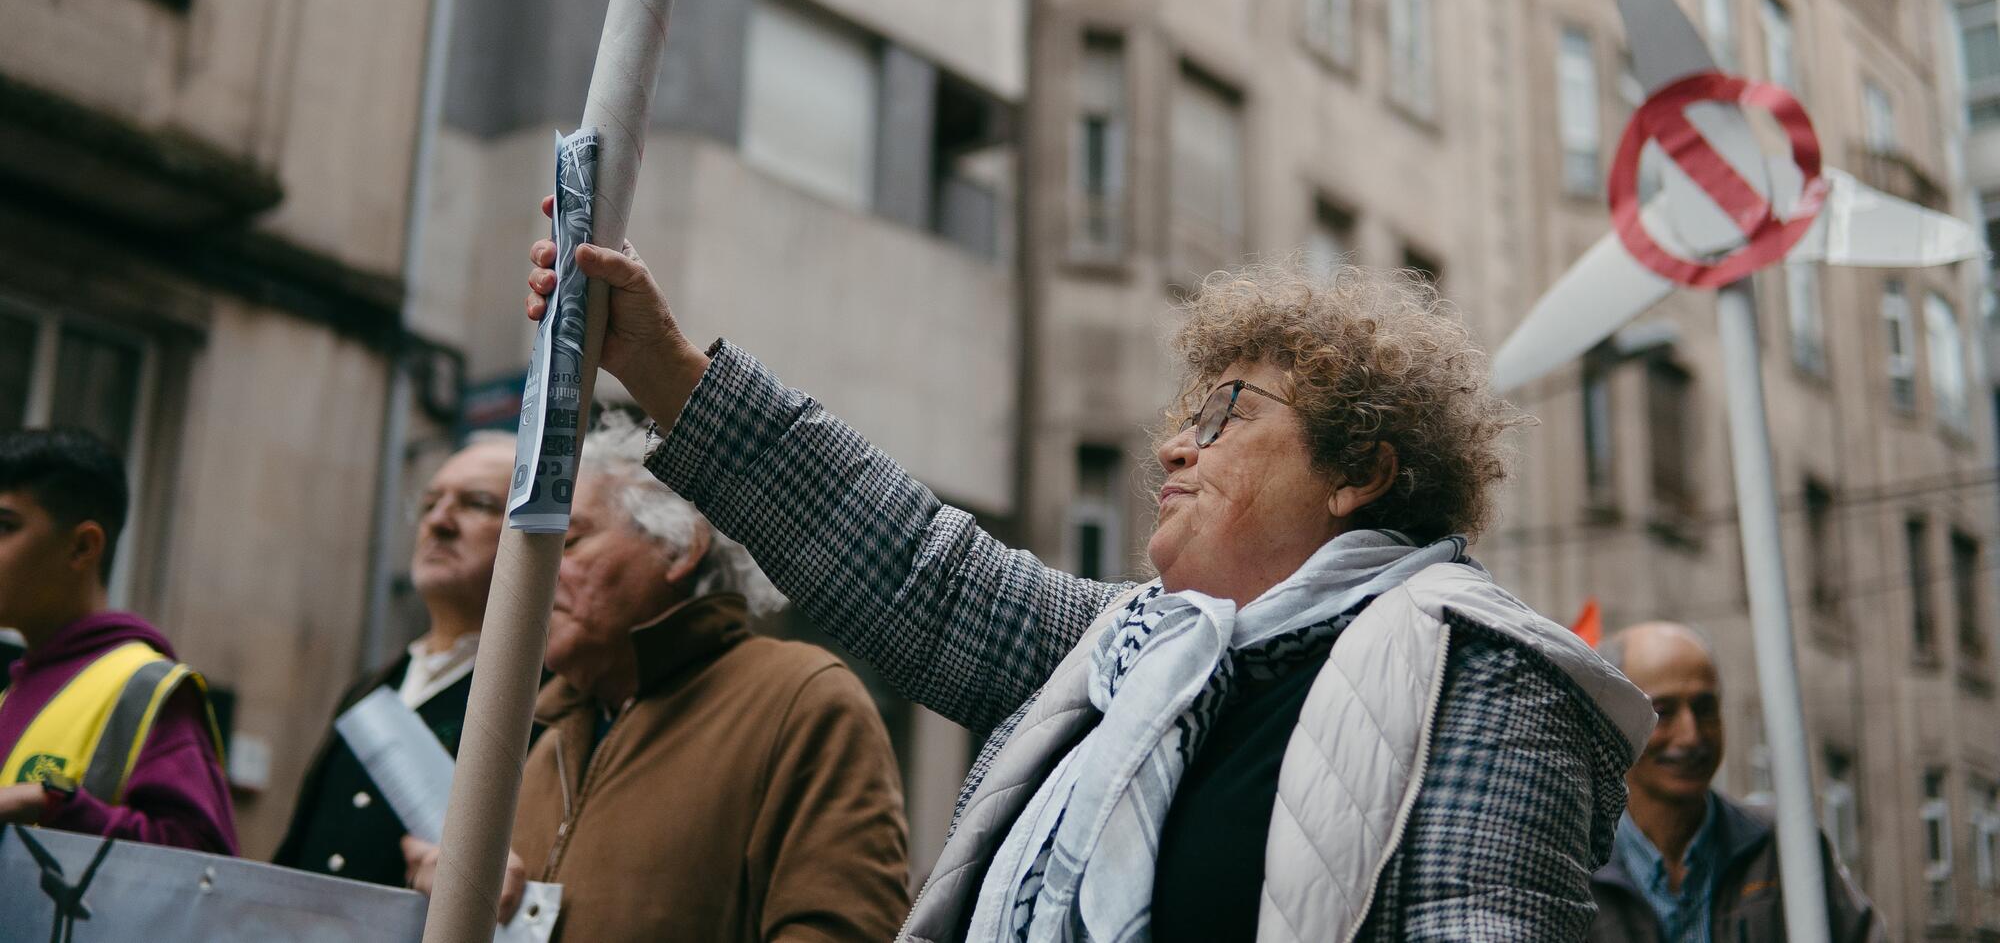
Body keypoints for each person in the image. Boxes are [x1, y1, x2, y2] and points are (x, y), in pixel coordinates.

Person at [525, 226, 1659, 941]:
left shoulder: (1485, 679)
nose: (1173, 448)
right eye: (1181, 416)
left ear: (1359, 471)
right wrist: (663, 370)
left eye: (1227, 416)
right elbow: (925, 572)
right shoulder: (1135, 647)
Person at [402, 415, 910, 942]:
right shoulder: (545, 739)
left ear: (678, 547)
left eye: (568, 542)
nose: (535, 571)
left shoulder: (801, 697)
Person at [274, 433, 513, 889]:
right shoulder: (368, 690)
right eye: (428, 504)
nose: (438, 522)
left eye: (476, 503)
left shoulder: (538, 699)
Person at [0, 427, 235, 852]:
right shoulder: (13, 689)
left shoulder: (147, 687)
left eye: (5, 525)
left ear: (82, 548)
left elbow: (203, 872)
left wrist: (51, 804)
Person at [1589, 622, 1884, 942]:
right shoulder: (1575, 864)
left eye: (1705, 709)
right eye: (1662, 711)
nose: (1691, 735)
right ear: (1612, 725)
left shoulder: (1783, 846)